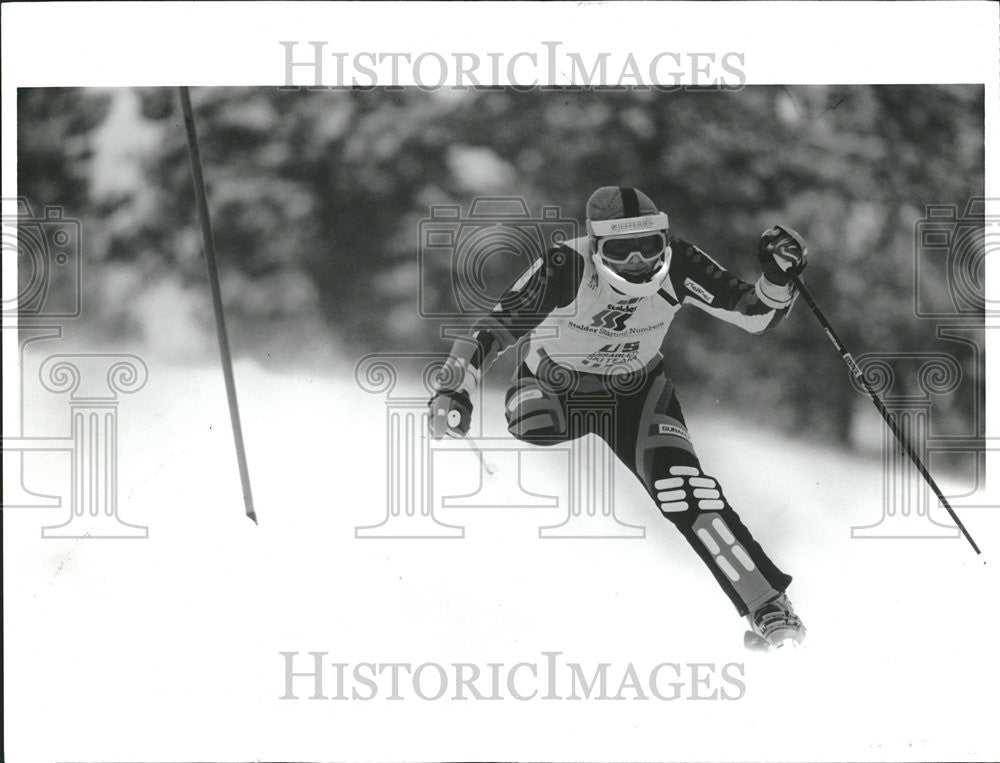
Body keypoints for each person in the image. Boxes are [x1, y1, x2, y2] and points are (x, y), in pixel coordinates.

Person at [428, 186, 808, 651]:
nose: (636, 263)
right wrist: (453, 388)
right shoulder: (566, 266)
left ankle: (767, 604)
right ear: (595, 245)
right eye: (619, 250)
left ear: (663, 240)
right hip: (557, 386)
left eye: (647, 247)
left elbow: (756, 315)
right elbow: (492, 328)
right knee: (535, 420)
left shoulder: (680, 262)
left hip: (638, 391)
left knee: (685, 491)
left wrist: (778, 278)